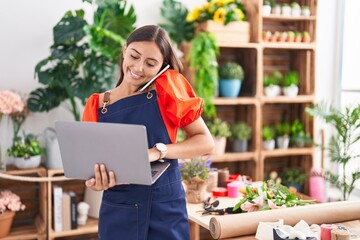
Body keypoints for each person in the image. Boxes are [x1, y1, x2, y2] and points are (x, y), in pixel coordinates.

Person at [82, 25, 214, 239]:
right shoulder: (97, 104)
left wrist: (157, 151)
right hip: (118, 210)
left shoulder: (167, 89)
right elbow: (92, 169)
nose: (139, 67)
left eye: (150, 63)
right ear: (124, 51)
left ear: (162, 67)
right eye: (134, 56)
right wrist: (97, 182)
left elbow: (205, 142)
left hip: (165, 208)